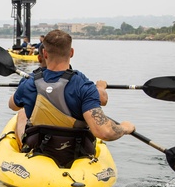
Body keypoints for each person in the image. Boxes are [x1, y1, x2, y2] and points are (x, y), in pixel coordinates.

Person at [8, 30, 133, 162]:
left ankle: (23, 149)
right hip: (76, 153)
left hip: (38, 150)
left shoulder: (28, 82)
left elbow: (12, 105)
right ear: (71, 52)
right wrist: (125, 128)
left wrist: (24, 91)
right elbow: (105, 131)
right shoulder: (83, 85)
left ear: (44, 53)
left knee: (22, 112)